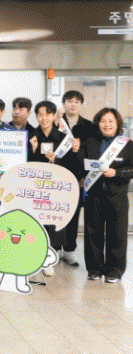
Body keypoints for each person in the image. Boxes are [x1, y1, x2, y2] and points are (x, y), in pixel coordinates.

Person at [74, 108, 133, 283]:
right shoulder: (90, 142)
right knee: (92, 232)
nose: (107, 124)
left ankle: (114, 270)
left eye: (110, 121)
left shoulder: (128, 145)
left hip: (118, 196)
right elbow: (81, 166)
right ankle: (94, 269)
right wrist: (76, 152)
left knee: (117, 234)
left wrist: (117, 173)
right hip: (94, 195)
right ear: (98, 124)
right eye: (103, 121)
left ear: (118, 123)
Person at [28, 101, 79, 276]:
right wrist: (34, 149)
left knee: (52, 221)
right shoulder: (31, 135)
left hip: (55, 187)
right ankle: (33, 257)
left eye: (47, 114)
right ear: (36, 116)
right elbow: (24, 163)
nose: (44, 118)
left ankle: (48, 259)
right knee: (35, 221)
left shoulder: (63, 137)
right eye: (40, 115)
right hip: (35, 187)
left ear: (53, 116)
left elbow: (72, 164)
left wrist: (56, 160)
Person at [58, 90, 97, 266]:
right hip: (57, 177)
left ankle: (69, 250)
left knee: (73, 215)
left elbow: (91, 153)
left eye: (76, 102)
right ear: (64, 103)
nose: (73, 105)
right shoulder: (57, 123)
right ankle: (55, 248)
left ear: (81, 105)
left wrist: (84, 176)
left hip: (78, 178)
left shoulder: (88, 126)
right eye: (69, 101)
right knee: (56, 213)